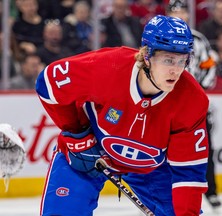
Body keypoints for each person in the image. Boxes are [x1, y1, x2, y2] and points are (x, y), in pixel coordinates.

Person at [36, 15, 209, 216]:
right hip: (89, 152)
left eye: (182, 61)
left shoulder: (192, 100)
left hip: (150, 168)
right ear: (146, 55)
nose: (176, 70)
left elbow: (188, 174)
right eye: (168, 59)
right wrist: (77, 133)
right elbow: (48, 82)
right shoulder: (109, 66)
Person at [166, 0, 222, 208]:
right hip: (165, 104)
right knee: (160, 150)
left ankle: (211, 191)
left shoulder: (198, 40)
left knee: (204, 148)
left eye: (182, 12)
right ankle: (159, 193)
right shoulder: (160, 40)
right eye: (175, 12)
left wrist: (199, 92)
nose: (180, 15)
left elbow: (209, 67)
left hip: (194, 105)